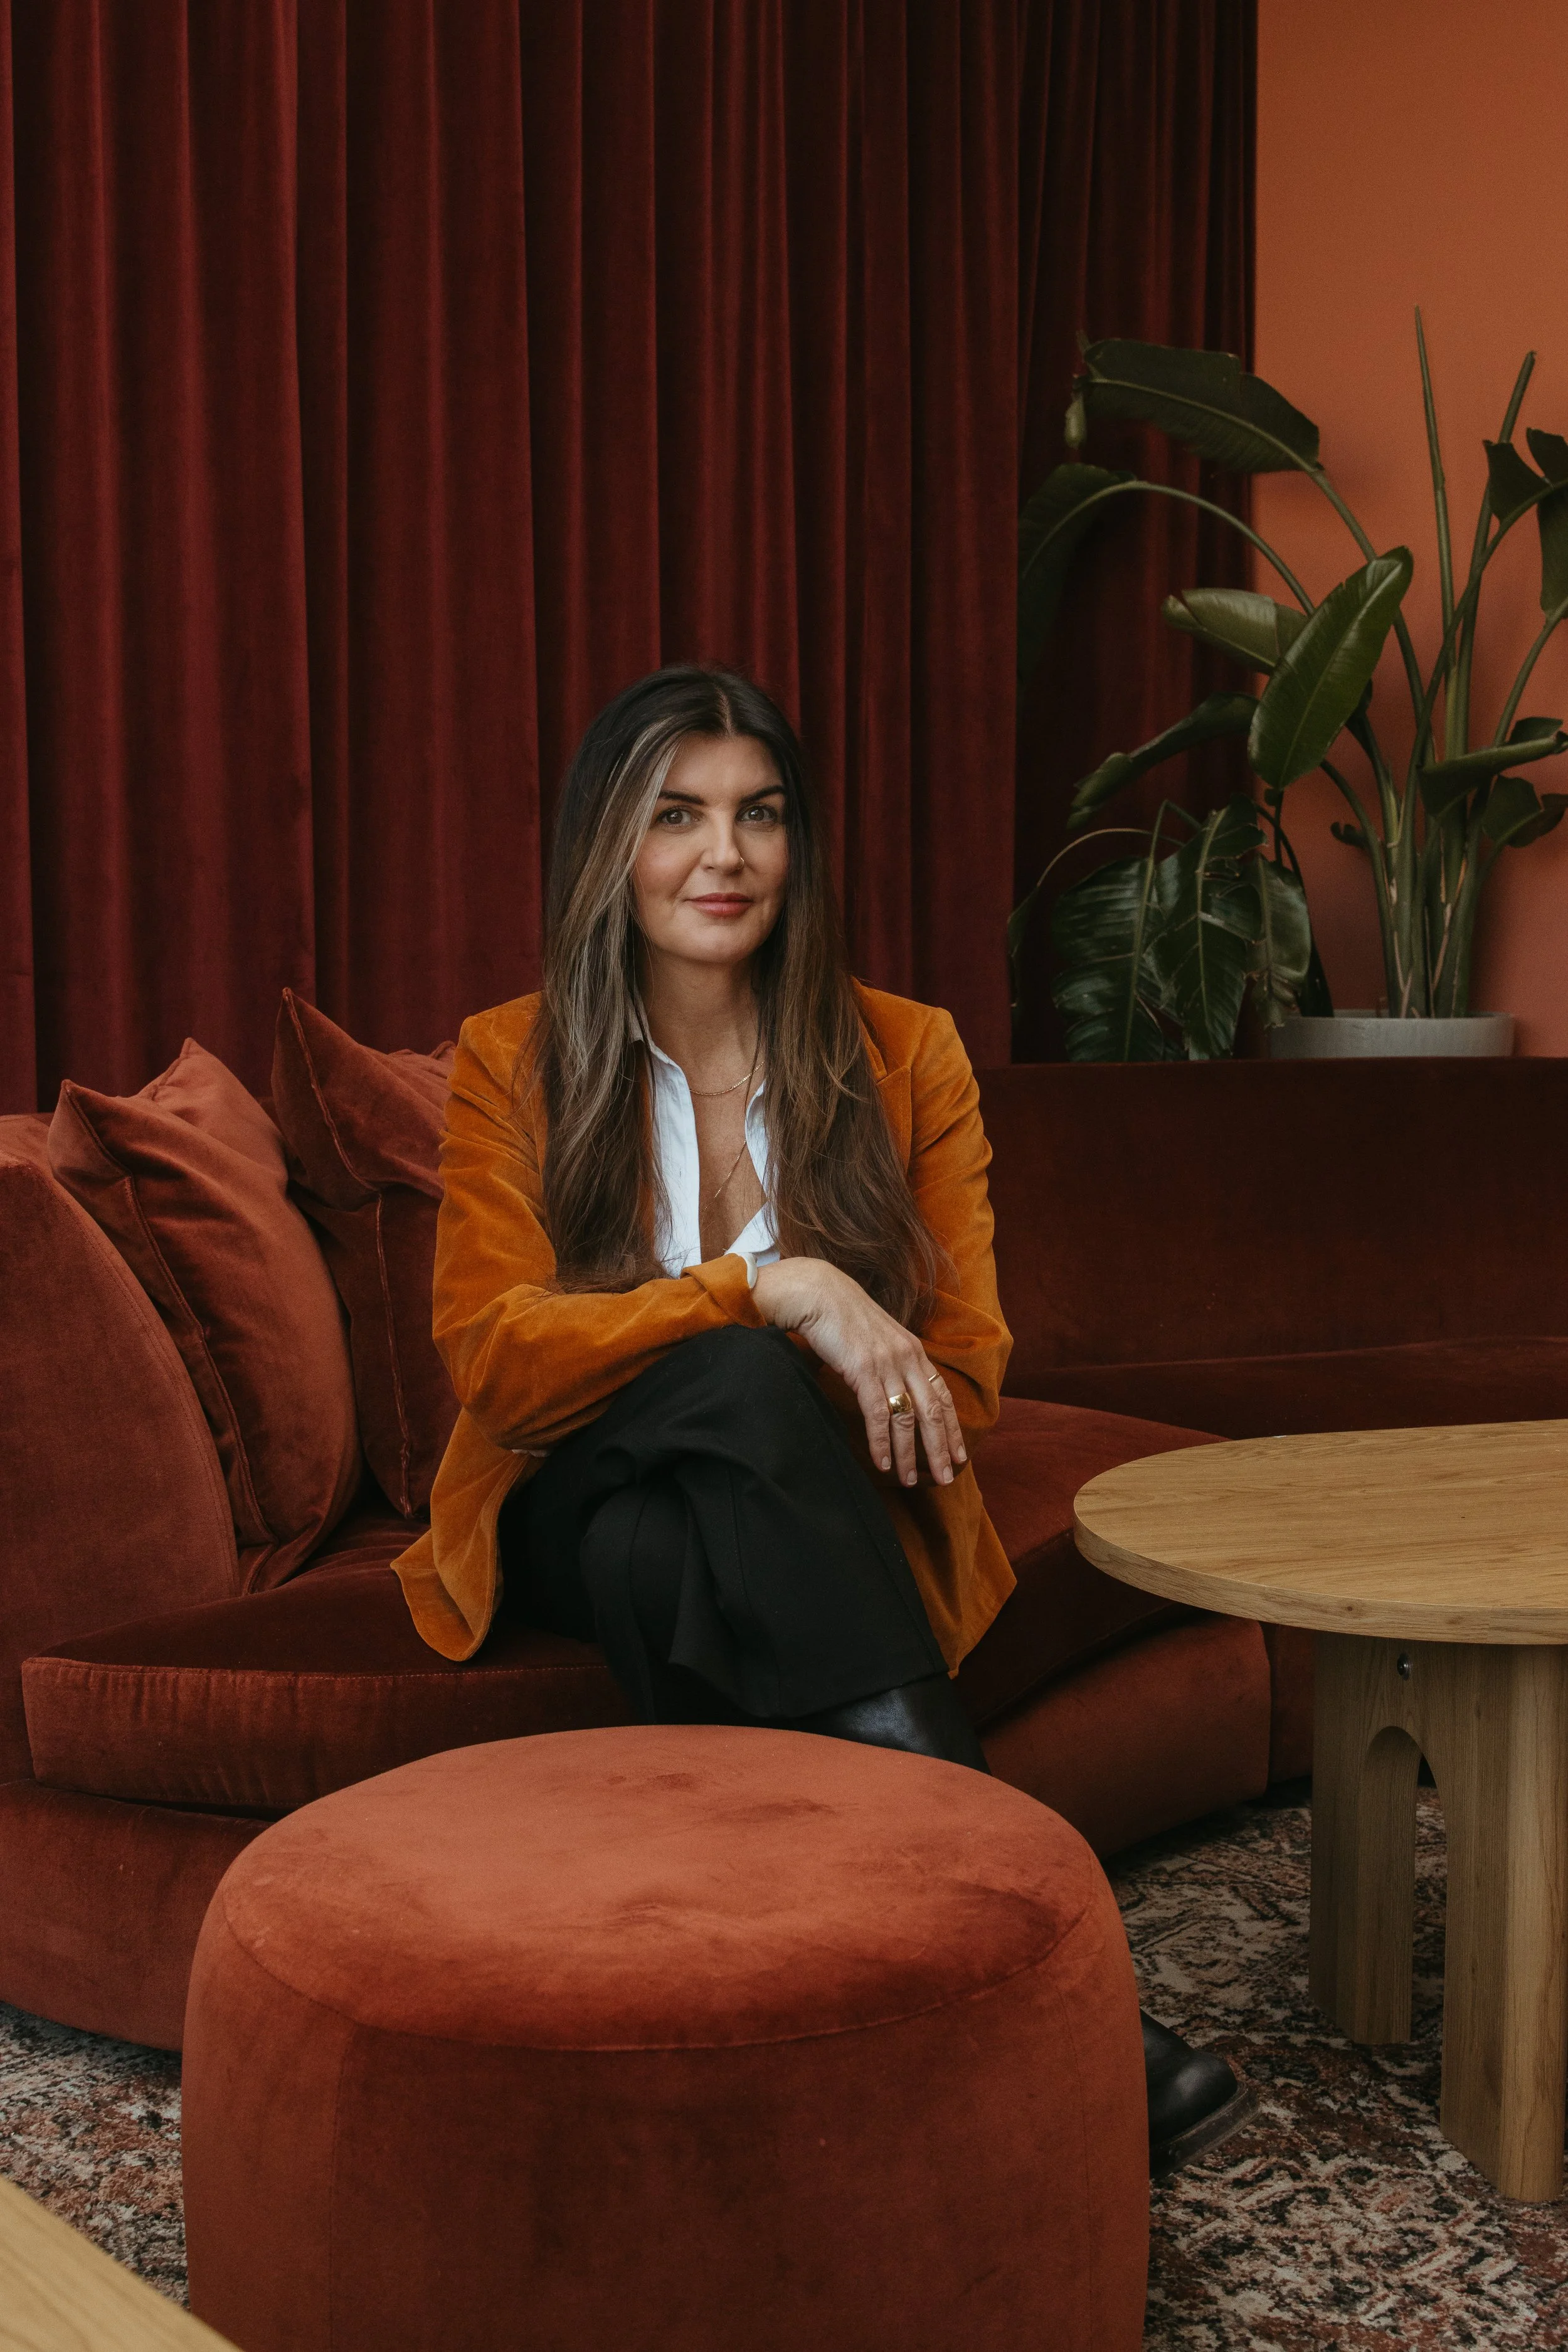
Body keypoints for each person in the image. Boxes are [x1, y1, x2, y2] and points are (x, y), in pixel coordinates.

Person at [393, 662, 1248, 2178]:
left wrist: (810, 1344)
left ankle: (773, 2061)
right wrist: (773, 1289)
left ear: (799, 847)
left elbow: (965, 1370)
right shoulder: (509, 1060)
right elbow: (496, 1363)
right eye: (677, 816)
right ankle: (1061, 1998)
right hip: (554, 1500)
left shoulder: (903, 1054)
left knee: (690, 1528)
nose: (723, 856)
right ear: (611, 844)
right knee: (725, 1380)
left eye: (759, 816)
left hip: (781, 1499)